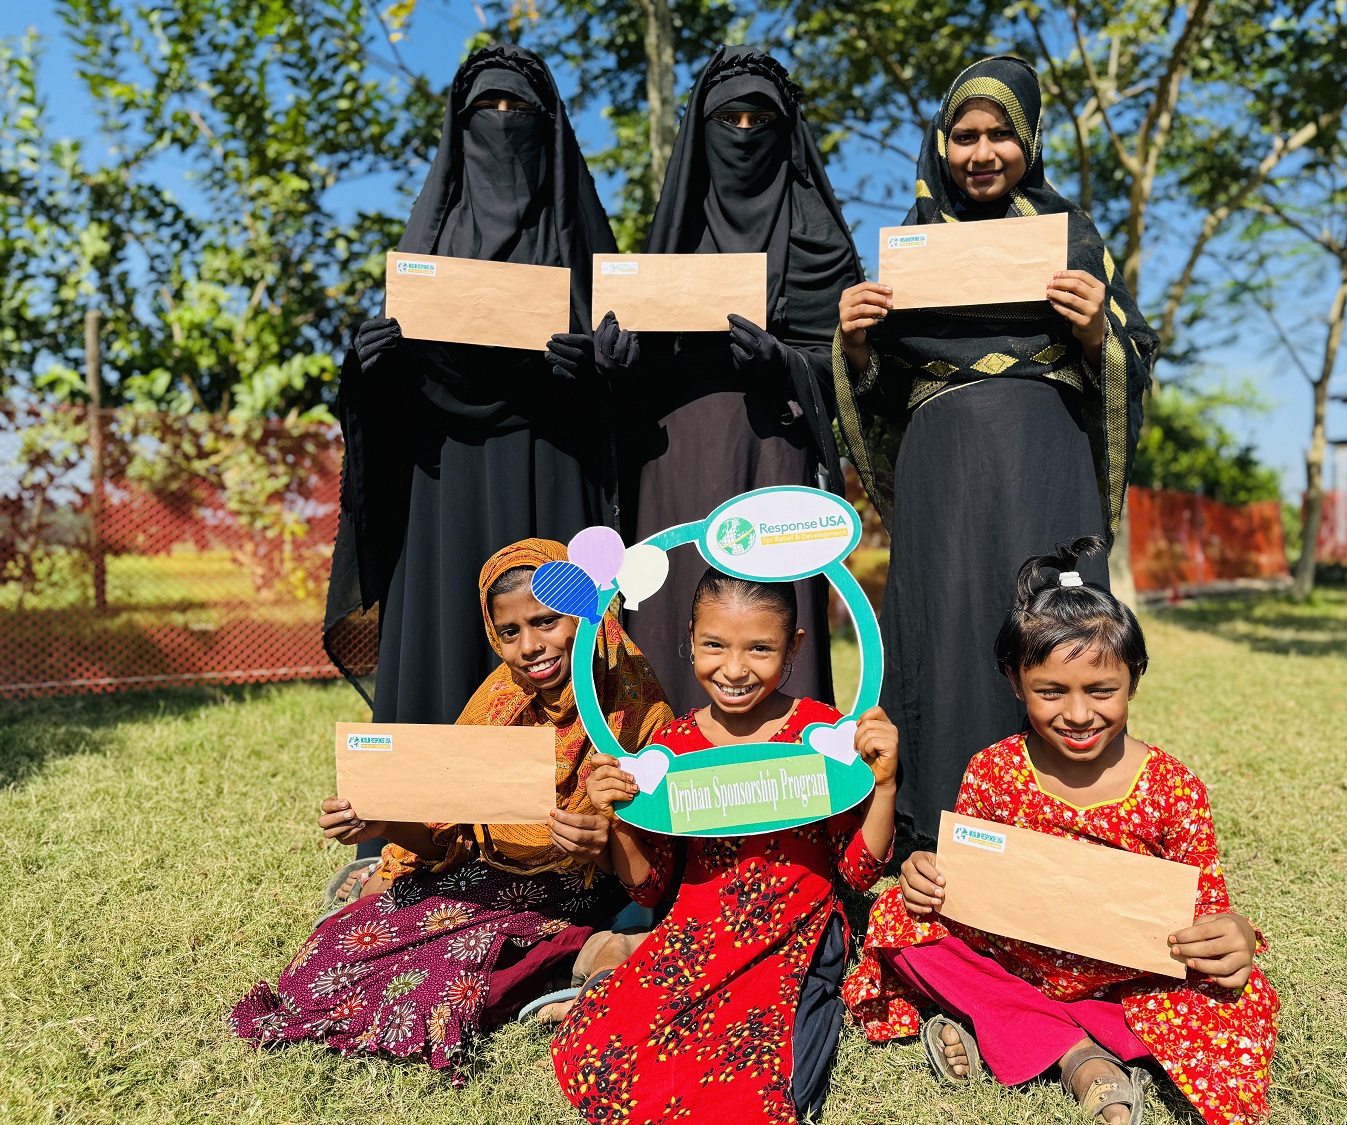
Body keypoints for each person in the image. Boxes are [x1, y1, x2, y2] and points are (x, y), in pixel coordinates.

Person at [842, 537, 1278, 1125]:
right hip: (1011, 961)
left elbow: (1208, 912)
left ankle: (1007, 1026)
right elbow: (964, 882)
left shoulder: (1173, 787)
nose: (1077, 714)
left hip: (1126, 982)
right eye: (1050, 692)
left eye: (1101, 691)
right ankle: (1079, 1053)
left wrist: (1232, 937)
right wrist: (926, 878)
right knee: (898, 919)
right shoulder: (993, 770)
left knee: (1238, 996)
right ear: (1014, 681)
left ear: (1134, 680)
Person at [833, 56, 1159, 838]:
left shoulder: (1071, 235)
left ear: (1031, 140)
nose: (982, 152)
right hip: (941, 474)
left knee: (1055, 627)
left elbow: (1133, 354)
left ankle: (1063, 826)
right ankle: (935, 826)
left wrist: (1095, 331)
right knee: (945, 629)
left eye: (1001, 134)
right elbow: (878, 395)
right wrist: (854, 344)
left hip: (1044, 466)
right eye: (965, 135)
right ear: (942, 143)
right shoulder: (912, 246)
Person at [231, 540, 674, 1079]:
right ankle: (572, 967)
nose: (530, 647)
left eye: (547, 621)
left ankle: (589, 954)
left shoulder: (640, 711)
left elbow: (654, 884)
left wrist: (602, 842)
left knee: (452, 982)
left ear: (586, 614)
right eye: (509, 632)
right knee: (328, 956)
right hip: (484, 877)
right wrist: (385, 823)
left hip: (580, 894)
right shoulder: (499, 701)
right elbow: (450, 835)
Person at [323, 44, 619, 759]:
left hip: (553, 464)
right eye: (487, 107)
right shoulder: (430, 242)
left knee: (557, 629)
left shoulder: (581, 246)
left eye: (520, 108)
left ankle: (571, 809)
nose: (504, 119)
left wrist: (595, 368)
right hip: (441, 480)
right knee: (445, 627)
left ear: (549, 126)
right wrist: (369, 365)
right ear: (460, 127)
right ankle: (431, 806)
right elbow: (383, 401)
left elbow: (628, 390)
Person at [551, 570, 899, 1123]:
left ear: (794, 648)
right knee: (600, 1054)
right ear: (690, 638)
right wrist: (619, 818)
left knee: (751, 1091)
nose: (734, 670)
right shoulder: (672, 748)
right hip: (695, 932)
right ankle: (611, 975)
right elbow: (649, 887)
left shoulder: (822, 735)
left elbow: (858, 873)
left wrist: (883, 786)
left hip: (796, 932)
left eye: (759, 648)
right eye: (715, 645)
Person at [603, 47, 862, 713]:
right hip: (673, 461)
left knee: (774, 608)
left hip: (775, 452)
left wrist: (785, 364)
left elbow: (851, 370)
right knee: (671, 611)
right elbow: (636, 376)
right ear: (703, 130)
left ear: (786, 132)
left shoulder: (820, 245)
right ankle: (665, 762)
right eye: (729, 120)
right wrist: (619, 364)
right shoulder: (673, 240)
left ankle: (789, 770)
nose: (745, 133)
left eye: (760, 120)